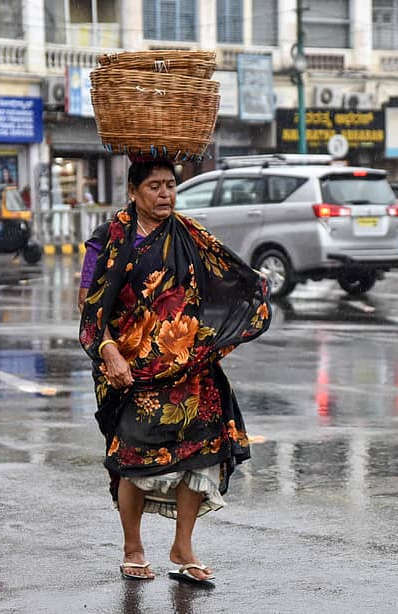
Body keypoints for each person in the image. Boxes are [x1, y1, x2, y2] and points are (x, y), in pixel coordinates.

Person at [77, 159, 271, 584]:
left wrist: (245, 301)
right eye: (154, 186)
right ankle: (133, 547)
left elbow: (226, 274)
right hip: (131, 370)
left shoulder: (189, 234)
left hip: (190, 366)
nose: (165, 194)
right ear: (133, 191)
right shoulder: (109, 241)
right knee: (132, 458)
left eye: (170, 185)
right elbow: (89, 307)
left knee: (201, 455)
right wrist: (110, 352)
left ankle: (183, 548)